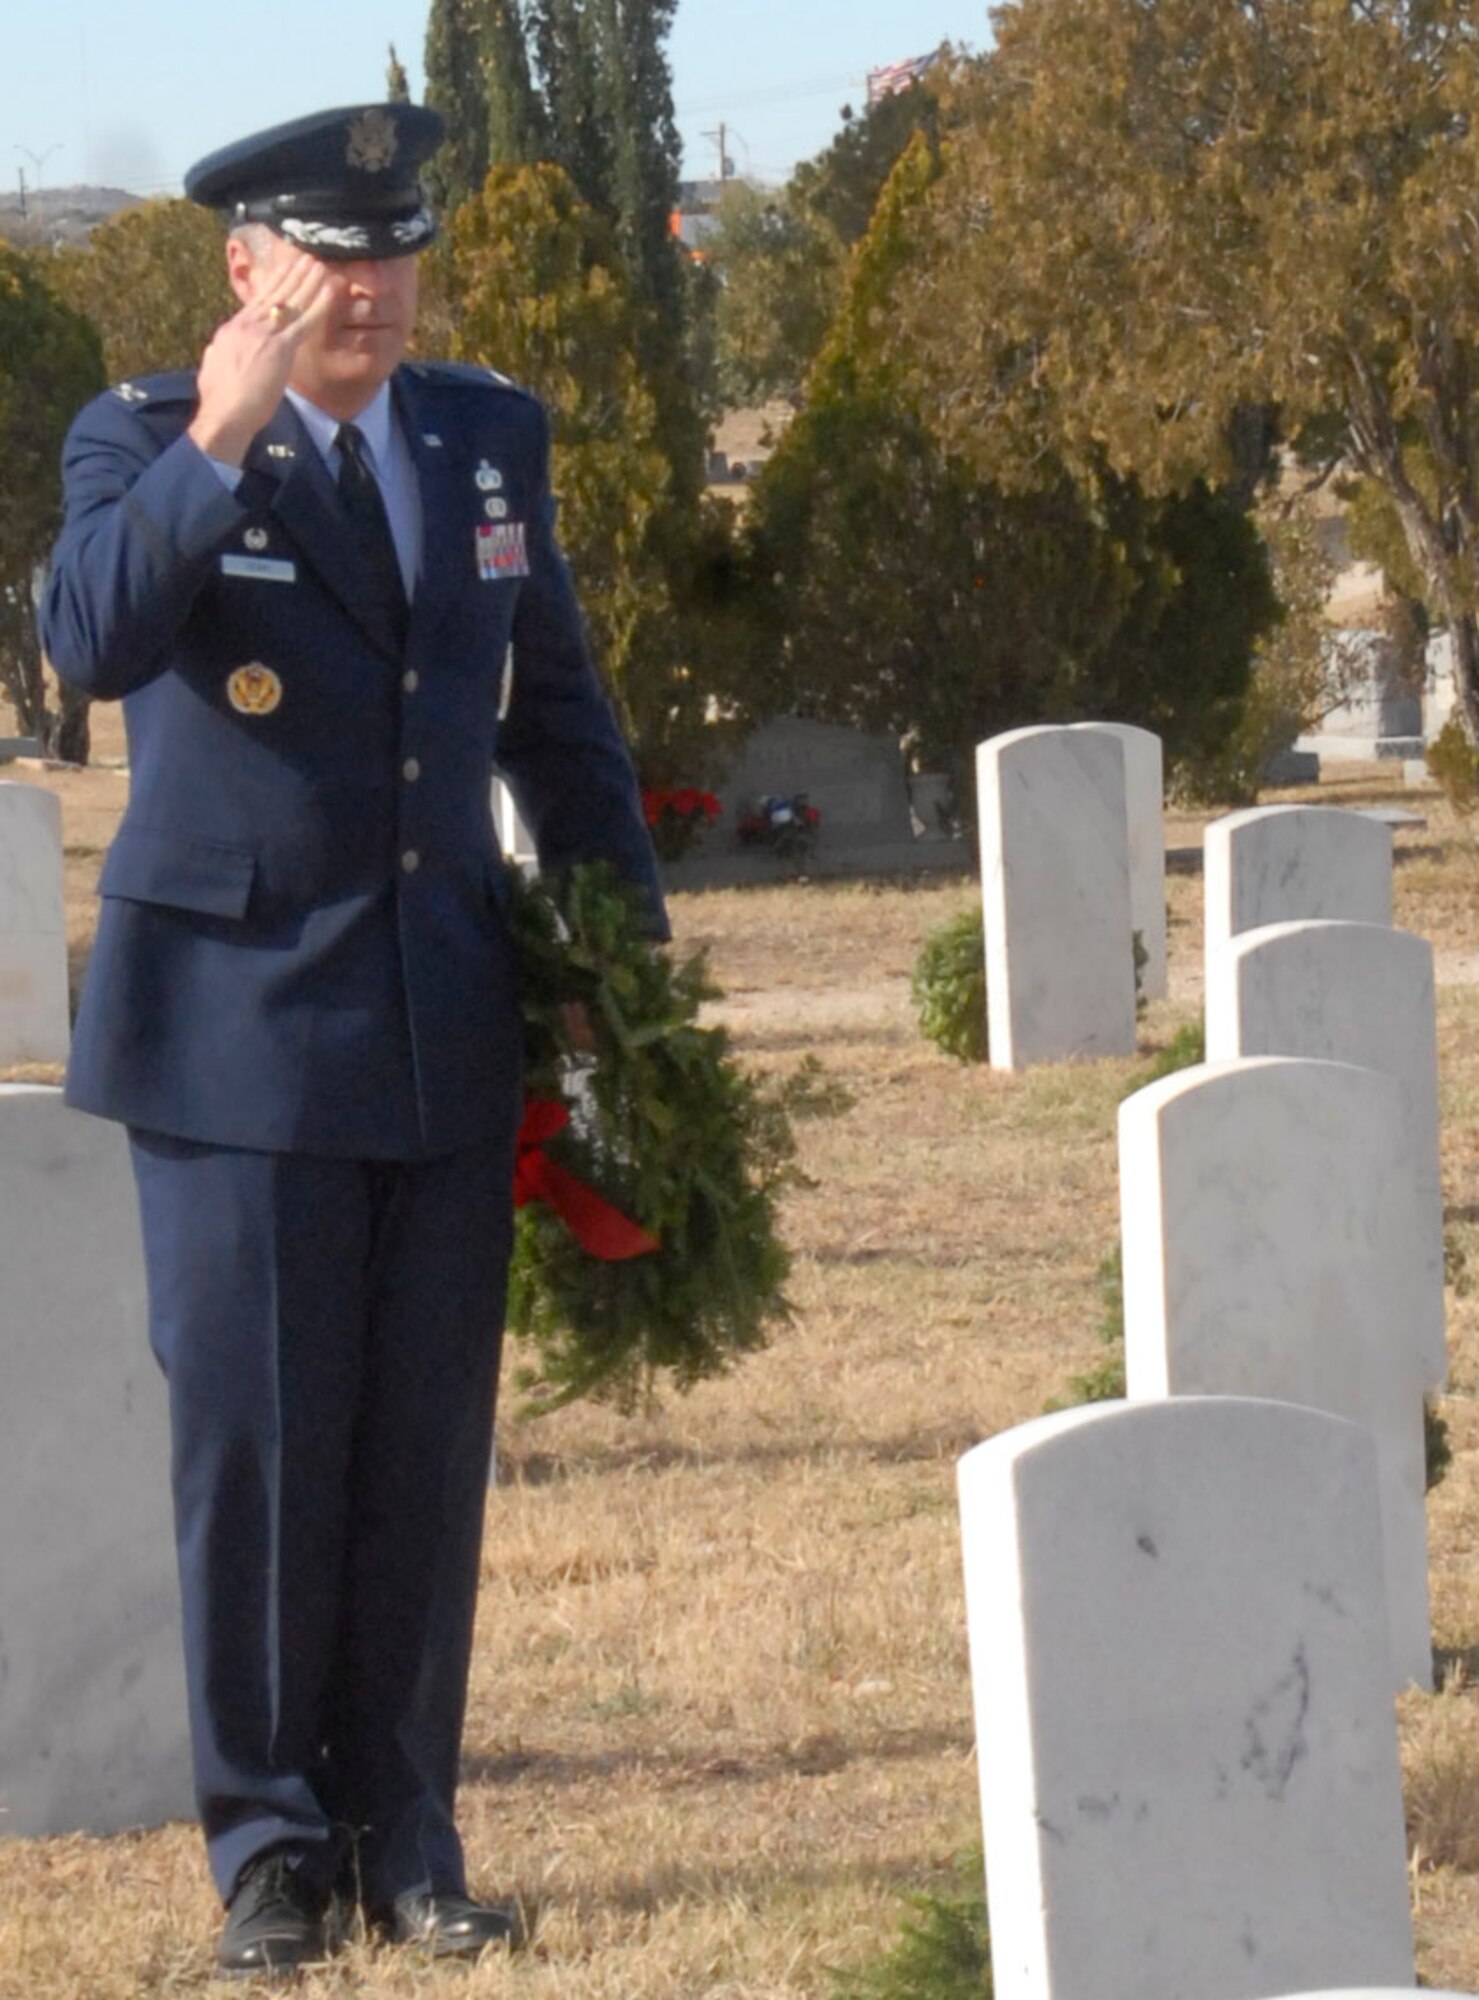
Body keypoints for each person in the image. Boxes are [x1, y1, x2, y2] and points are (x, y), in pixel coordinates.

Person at [41, 101, 666, 1977]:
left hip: (436, 1023)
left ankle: (410, 1831)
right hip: (234, 1039)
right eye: (328, 258)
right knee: (258, 1458)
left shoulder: (485, 437)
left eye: (395, 255)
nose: (371, 292)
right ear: (247, 272)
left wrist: (627, 977)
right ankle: (268, 1851)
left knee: (416, 1453)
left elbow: (556, 716)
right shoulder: (147, 438)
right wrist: (224, 428)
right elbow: (86, 639)